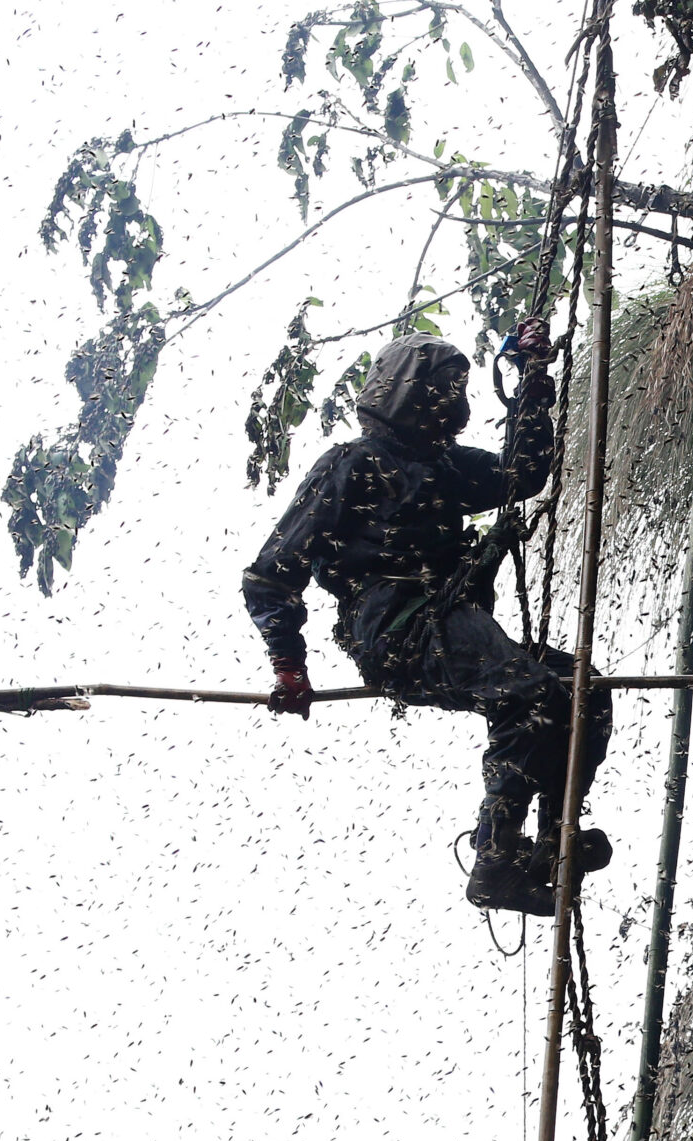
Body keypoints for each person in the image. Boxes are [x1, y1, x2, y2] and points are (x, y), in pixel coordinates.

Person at [241, 320, 613, 917]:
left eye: (458, 392)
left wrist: (534, 384)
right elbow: (270, 573)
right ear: (408, 393)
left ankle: (553, 842)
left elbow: (524, 474)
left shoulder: (447, 466)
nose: (454, 406)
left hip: (450, 614)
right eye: (443, 391)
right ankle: (496, 856)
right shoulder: (353, 464)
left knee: (582, 688)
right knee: (530, 695)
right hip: (394, 626)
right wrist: (289, 665)